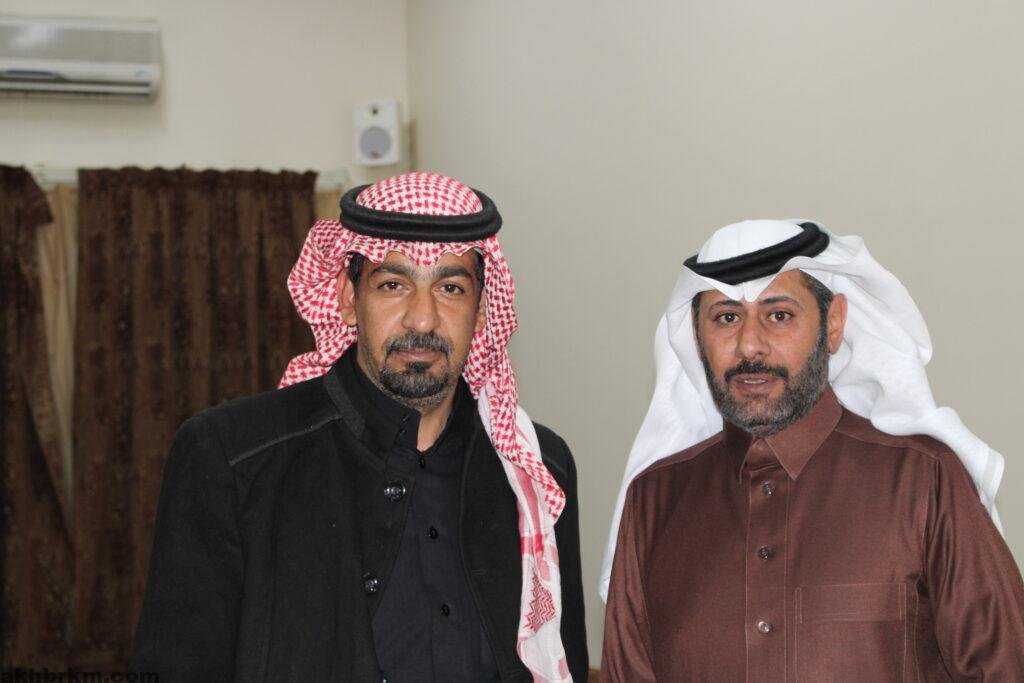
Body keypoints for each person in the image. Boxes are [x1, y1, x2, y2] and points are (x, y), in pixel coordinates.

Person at [131, 172, 588, 682]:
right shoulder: (232, 457)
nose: (422, 319)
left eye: (450, 288)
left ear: (481, 309)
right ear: (348, 298)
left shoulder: (537, 468)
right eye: (393, 285)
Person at [600, 220, 1024, 681]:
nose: (749, 345)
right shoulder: (653, 501)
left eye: (779, 315)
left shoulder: (923, 480)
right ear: (697, 337)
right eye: (726, 318)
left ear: (833, 324)